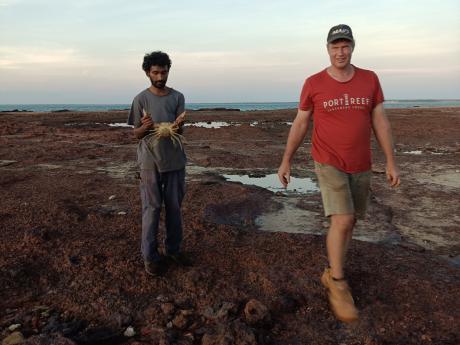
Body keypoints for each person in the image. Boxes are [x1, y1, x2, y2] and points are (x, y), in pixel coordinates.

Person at [277, 24, 400, 322]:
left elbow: (380, 121)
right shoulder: (314, 82)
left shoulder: (370, 79)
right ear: (328, 49)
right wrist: (286, 160)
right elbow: (301, 123)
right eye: (335, 46)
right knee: (342, 219)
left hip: (361, 162)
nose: (340, 51)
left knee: (351, 221)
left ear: (353, 47)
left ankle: (331, 271)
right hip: (328, 160)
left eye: (345, 46)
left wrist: (391, 161)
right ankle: (338, 283)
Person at [127, 51, 190, 276]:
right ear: (147, 73)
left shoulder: (178, 97)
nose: (160, 76)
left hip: (174, 160)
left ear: (168, 71)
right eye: (155, 72)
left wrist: (179, 124)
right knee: (151, 209)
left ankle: (173, 250)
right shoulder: (140, 99)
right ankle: (150, 257)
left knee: (174, 208)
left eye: (163, 72)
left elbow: (179, 130)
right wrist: (145, 126)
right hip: (149, 163)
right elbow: (137, 133)